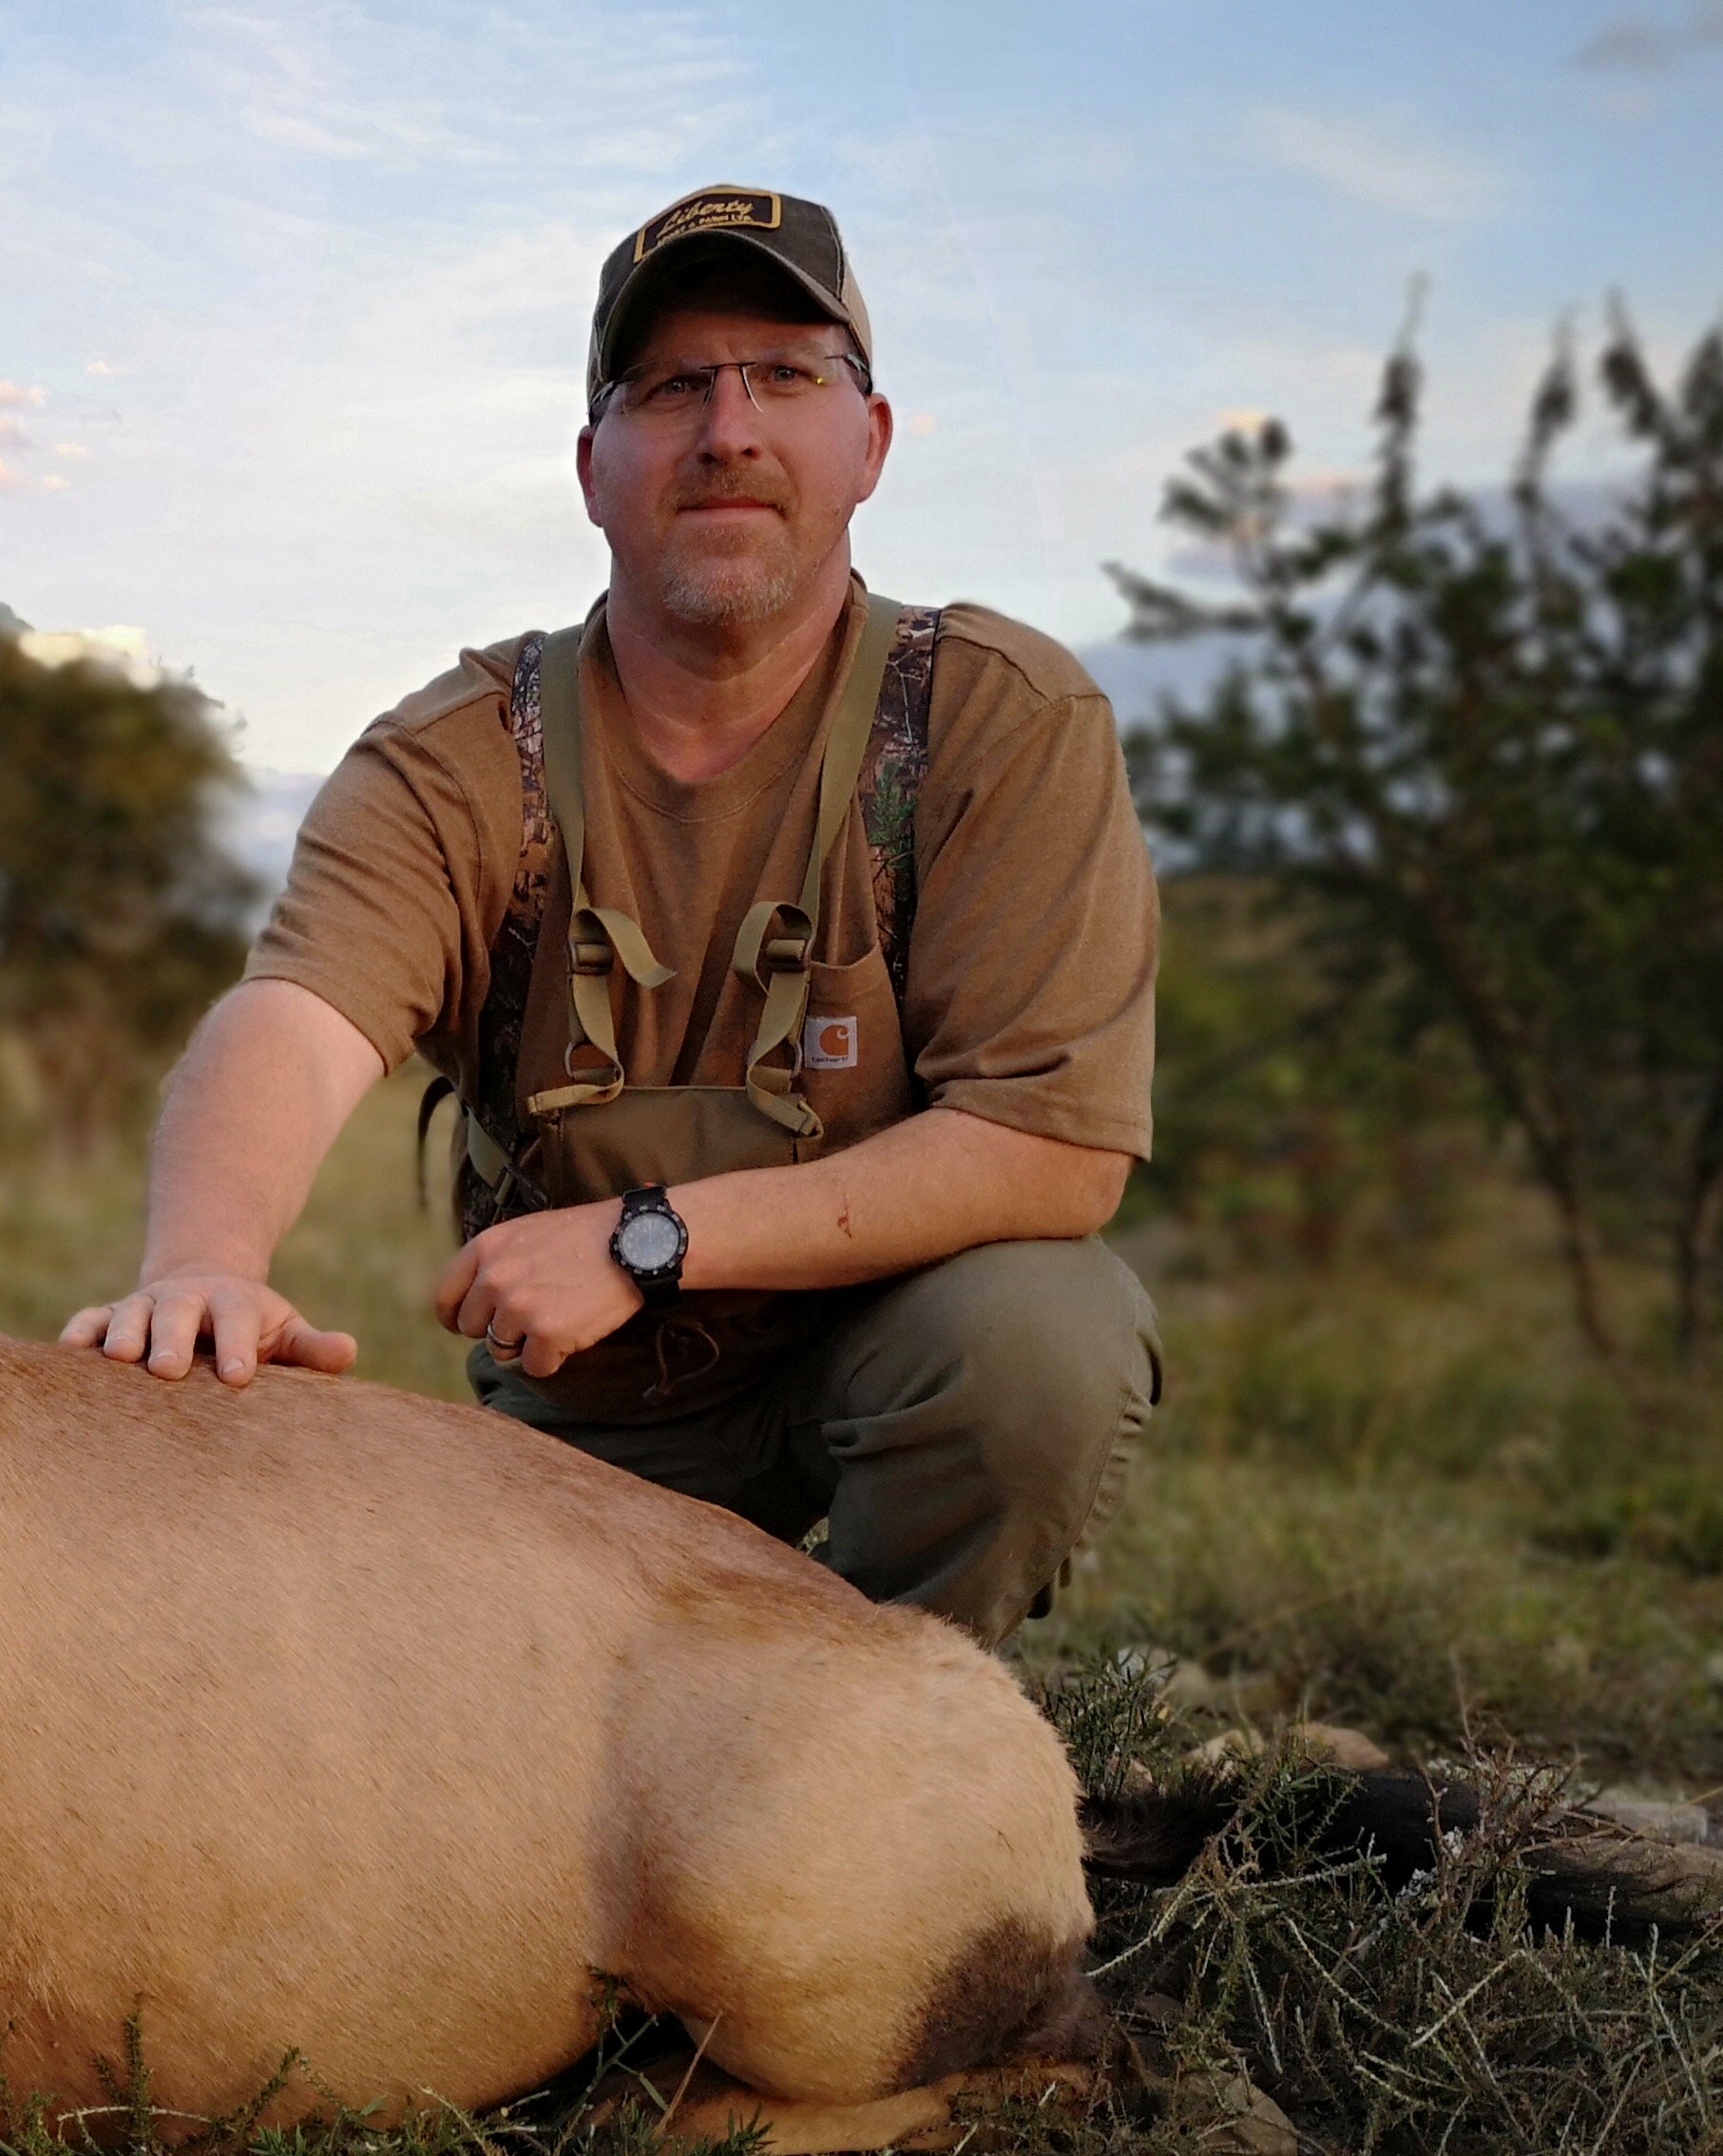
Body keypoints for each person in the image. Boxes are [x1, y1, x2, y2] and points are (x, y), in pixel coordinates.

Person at [62, 184, 1161, 1646]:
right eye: (671, 388)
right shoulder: (458, 753)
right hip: (586, 1419)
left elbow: (1052, 1150)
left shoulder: (995, 718)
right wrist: (205, 1259)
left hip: (885, 1364)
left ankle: (915, 1734)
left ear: (871, 440)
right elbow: (297, 1014)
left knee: (1039, 1343)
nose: (728, 430)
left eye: (784, 374)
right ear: (593, 466)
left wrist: (648, 1237)